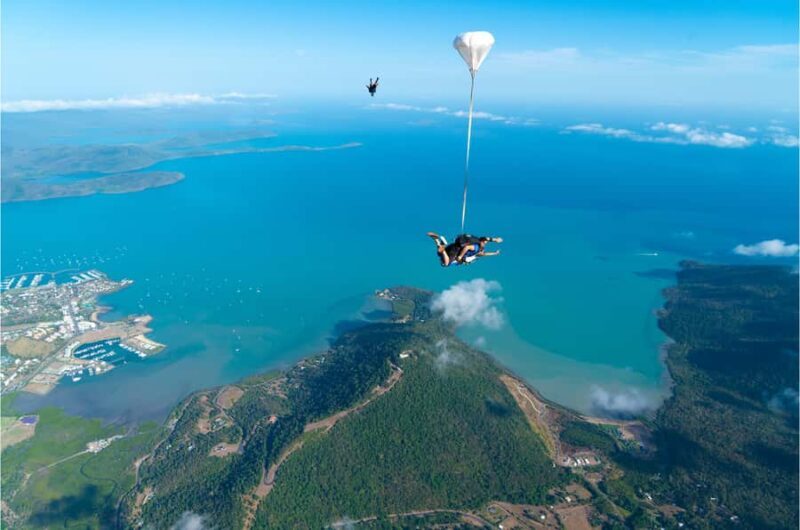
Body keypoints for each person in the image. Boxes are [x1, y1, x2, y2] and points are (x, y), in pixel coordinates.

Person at [427, 232, 502, 267]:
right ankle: (442, 247)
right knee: (446, 263)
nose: (485, 244)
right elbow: (467, 247)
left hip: (454, 248)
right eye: (485, 242)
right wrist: (460, 256)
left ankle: (437, 240)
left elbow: (484, 254)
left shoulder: (477, 251)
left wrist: (494, 253)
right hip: (456, 251)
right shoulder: (476, 247)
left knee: (440, 254)